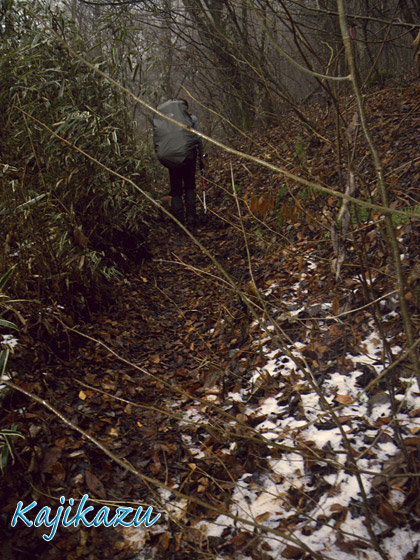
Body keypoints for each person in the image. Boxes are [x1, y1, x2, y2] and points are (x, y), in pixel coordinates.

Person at [168, 99, 205, 229]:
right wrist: (202, 156)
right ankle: (191, 217)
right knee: (190, 185)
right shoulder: (192, 119)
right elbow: (199, 138)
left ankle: (179, 222)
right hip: (189, 157)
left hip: (172, 159)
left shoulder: (167, 120)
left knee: (176, 189)